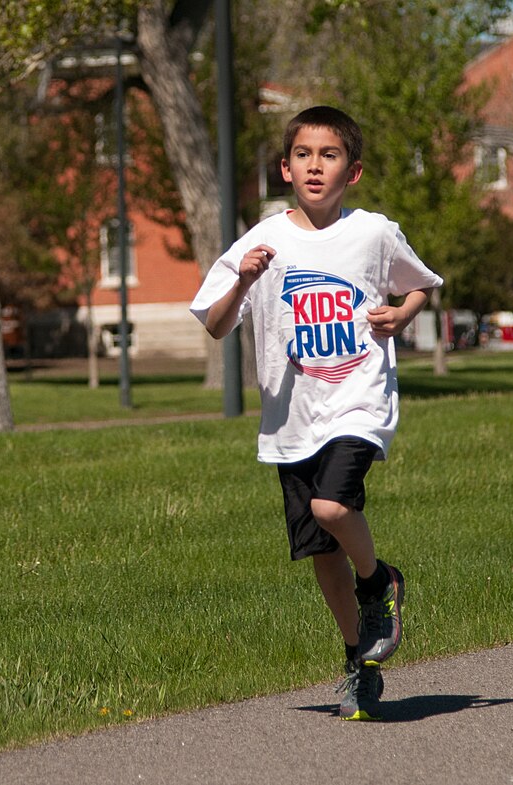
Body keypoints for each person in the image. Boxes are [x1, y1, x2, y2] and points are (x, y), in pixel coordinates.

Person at [189, 105, 442, 721]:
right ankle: (358, 657)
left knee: (334, 508)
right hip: (289, 419)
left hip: (357, 401)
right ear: (284, 167)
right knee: (320, 550)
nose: (314, 166)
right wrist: (243, 282)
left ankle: (380, 581)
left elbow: (421, 284)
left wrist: (401, 316)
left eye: (329, 156)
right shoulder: (262, 240)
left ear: (351, 172)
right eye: (303, 155)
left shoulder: (374, 232)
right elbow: (218, 326)